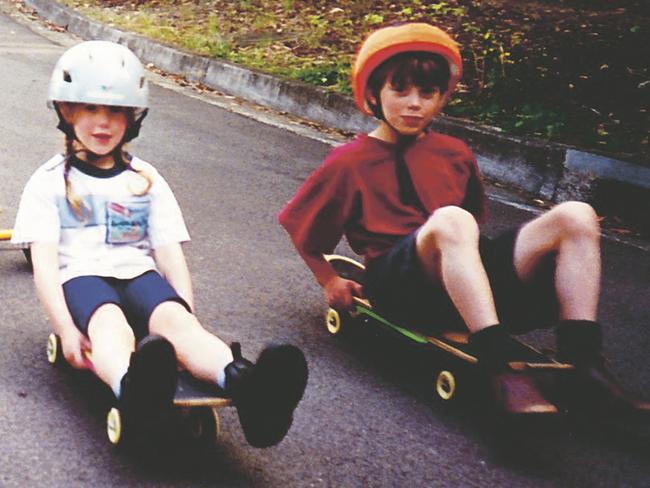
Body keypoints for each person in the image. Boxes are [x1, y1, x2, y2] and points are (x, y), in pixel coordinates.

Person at [279, 22, 647, 415]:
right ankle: (497, 362)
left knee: (577, 214)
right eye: (399, 90)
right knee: (452, 220)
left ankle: (583, 365)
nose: (414, 103)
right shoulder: (349, 162)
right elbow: (305, 232)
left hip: (459, 276)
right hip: (400, 284)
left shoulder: (454, 152)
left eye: (428, 92)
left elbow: (472, 227)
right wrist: (329, 279)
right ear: (374, 94)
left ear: (442, 99)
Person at [12, 40, 308, 447]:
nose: (103, 123)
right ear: (67, 111)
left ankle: (250, 388)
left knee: (176, 323)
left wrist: (186, 311)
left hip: (139, 275)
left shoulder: (146, 179)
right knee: (110, 325)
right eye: (91, 109)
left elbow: (169, 251)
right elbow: (45, 265)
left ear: (133, 117)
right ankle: (135, 389)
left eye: (116, 111)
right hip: (83, 279)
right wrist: (64, 329)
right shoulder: (48, 182)